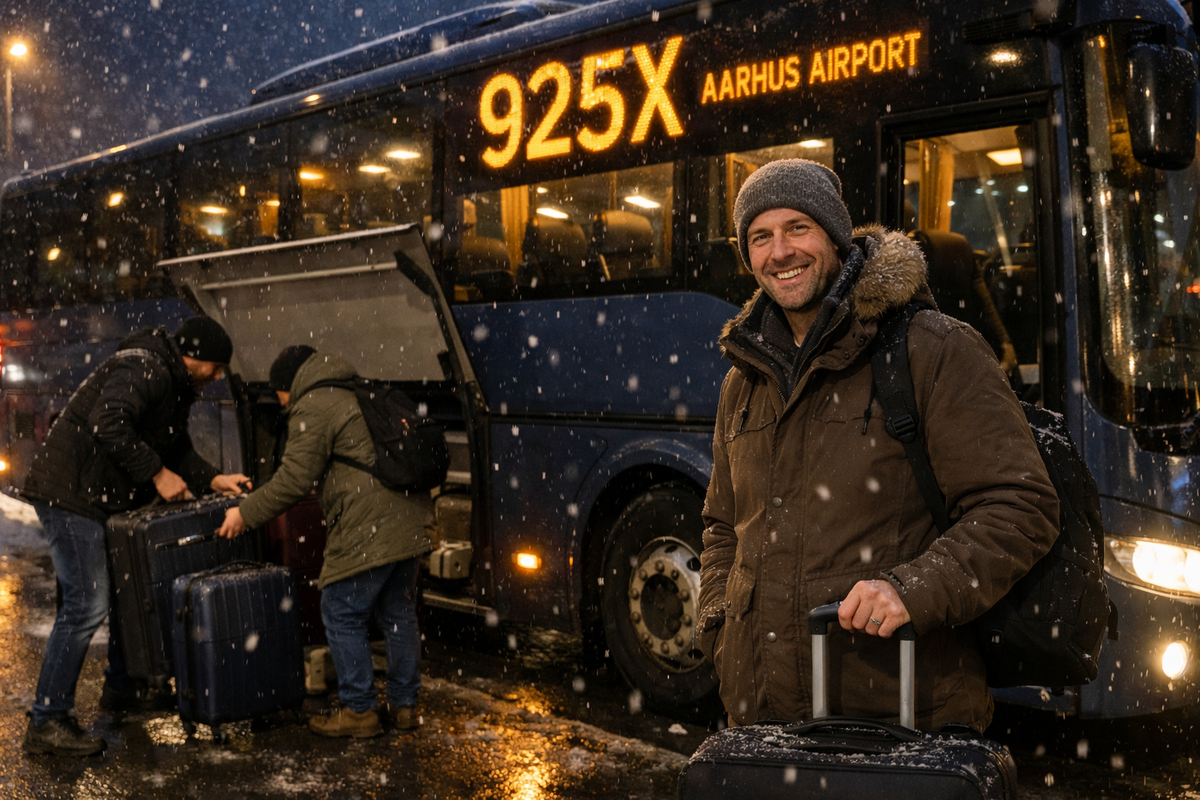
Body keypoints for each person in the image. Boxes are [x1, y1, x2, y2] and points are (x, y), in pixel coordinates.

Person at [696, 159, 1060, 733]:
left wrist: (912, 590)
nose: (780, 252)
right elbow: (722, 524)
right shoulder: (743, 380)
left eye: (798, 228)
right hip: (762, 722)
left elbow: (1020, 507)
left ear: (836, 237)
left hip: (898, 720)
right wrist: (720, 623)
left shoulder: (931, 349)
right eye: (760, 237)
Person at [21, 316, 251, 756]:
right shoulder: (145, 368)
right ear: (194, 356)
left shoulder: (172, 382)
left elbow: (175, 447)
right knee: (86, 604)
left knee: (125, 590)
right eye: (215, 367)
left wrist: (214, 479)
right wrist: (158, 474)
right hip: (70, 494)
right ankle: (48, 720)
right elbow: (109, 423)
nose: (218, 377)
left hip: (93, 494)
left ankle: (121, 687)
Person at [217, 346, 432, 738]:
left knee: (340, 609)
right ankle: (405, 707)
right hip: (410, 514)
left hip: (372, 521)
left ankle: (360, 711)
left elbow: (294, 480)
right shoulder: (353, 387)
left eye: (278, 395)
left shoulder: (314, 403)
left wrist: (244, 513)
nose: (280, 404)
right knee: (397, 612)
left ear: (288, 385)